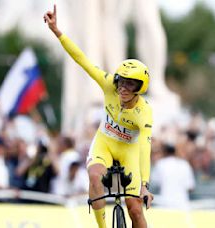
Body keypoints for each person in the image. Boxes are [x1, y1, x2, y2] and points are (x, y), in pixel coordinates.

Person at [44, 5, 154, 228]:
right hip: (104, 143)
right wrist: (57, 31)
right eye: (121, 81)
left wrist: (144, 184)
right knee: (95, 177)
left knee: (134, 208)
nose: (123, 88)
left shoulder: (144, 112)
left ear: (140, 87)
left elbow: (145, 146)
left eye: (129, 84)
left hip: (129, 151)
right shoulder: (108, 84)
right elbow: (81, 59)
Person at [151, 144, 195, 209]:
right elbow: (190, 187)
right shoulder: (184, 164)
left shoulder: (160, 164)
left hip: (165, 204)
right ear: (175, 152)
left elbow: (154, 183)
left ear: (165, 152)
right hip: (182, 204)